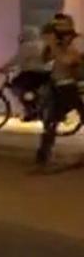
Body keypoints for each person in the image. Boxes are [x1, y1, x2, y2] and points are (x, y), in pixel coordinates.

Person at [36, 16, 82, 167]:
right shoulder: (58, 44)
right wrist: (51, 45)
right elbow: (45, 60)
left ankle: (44, 152)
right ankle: (43, 154)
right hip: (58, 86)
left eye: (62, 26)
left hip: (69, 86)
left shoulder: (76, 42)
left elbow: (69, 61)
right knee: (51, 121)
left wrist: (55, 46)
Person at [0, 26, 49, 121]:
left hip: (31, 73)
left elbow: (16, 60)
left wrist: (3, 68)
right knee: (29, 91)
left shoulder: (27, 46)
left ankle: (30, 110)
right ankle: (34, 106)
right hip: (43, 73)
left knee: (16, 86)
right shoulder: (41, 44)